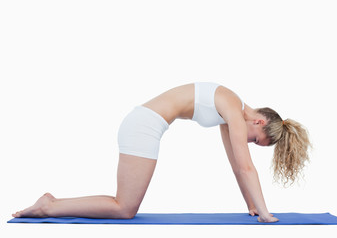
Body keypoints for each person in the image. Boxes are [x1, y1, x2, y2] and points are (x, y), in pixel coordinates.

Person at [12, 82, 311, 223]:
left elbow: (236, 164)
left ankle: (51, 203)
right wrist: (267, 214)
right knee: (124, 209)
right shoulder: (233, 107)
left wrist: (253, 206)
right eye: (256, 140)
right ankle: (48, 207)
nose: (248, 144)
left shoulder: (231, 110)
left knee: (124, 206)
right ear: (258, 122)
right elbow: (247, 166)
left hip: (145, 124)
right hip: (144, 125)